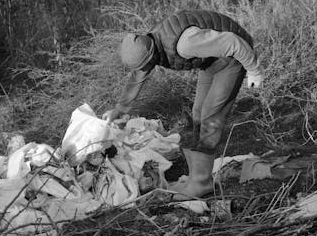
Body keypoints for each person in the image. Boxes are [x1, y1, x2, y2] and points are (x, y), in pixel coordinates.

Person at [102, 10, 264, 200]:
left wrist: (254, 70)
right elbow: (138, 75)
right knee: (197, 116)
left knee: (210, 118)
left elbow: (232, 42)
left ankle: (201, 184)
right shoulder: (148, 42)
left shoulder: (185, 44)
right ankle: (195, 179)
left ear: (152, 55)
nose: (145, 70)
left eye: (146, 65)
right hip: (211, 60)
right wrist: (120, 109)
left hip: (232, 58)